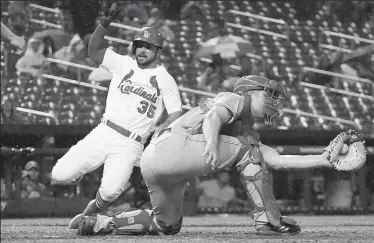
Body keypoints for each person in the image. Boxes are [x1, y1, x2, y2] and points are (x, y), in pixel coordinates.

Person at [77, 75, 359, 237]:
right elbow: (213, 118)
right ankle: (268, 221)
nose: (274, 101)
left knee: (168, 225)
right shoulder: (236, 98)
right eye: (268, 94)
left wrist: (323, 159)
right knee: (248, 152)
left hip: (155, 160)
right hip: (176, 145)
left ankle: (103, 223)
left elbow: (277, 160)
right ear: (250, 92)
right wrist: (211, 144)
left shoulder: (245, 130)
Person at [51, 3, 182, 229]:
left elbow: (176, 112)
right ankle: (81, 171)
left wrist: (164, 127)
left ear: (158, 51)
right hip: (104, 131)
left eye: (149, 47)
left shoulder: (164, 78)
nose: (142, 50)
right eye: (140, 45)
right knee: (59, 175)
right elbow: (93, 50)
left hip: (130, 144)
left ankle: (92, 210)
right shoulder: (123, 63)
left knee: (111, 192)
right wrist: (103, 25)